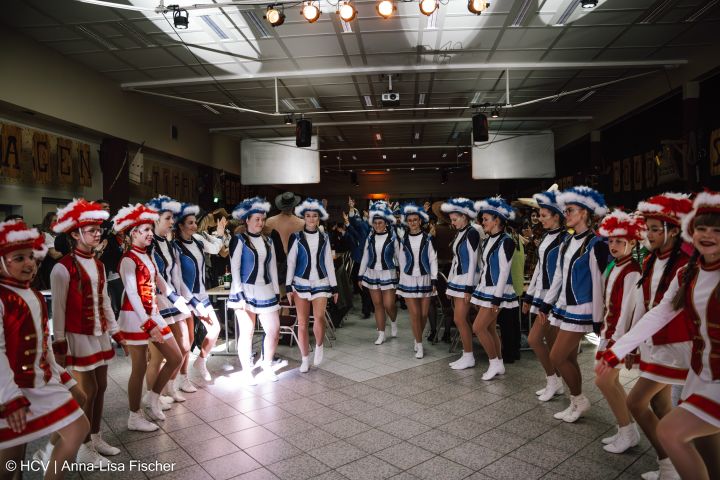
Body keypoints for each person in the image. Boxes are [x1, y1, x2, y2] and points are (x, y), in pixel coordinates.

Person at [599, 191, 720, 480]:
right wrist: (618, 349)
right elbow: (657, 313)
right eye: (701, 228)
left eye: (717, 230)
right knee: (706, 447)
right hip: (699, 373)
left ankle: (668, 468)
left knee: (670, 429)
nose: (707, 235)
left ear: (674, 231)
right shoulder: (687, 273)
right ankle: (670, 466)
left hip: (693, 362)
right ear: (691, 230)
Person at [0, 219, 89, 480]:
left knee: (78, 426)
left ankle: (48, 457)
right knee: (10, 461)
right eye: (19, 258)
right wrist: (10, 398)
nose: (29, 263)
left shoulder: (35, 294)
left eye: (31, 256)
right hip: (10, 387)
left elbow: (43, 344)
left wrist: (61, 374)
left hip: (40, 380)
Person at [50, 199, 126, 466]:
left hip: (99, 334)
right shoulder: (62, 268)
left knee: (101, 387)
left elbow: (105, 302)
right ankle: (82, 448)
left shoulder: (99, 264)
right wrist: (60, 344)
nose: (98, 234)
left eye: (98, 230)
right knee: (89, 390)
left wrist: (116, 333)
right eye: (91, 230)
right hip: (77, 337)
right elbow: (58, 309)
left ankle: (95, 436)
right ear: (75, 234)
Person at [538, 186, 609, 423]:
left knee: (557, 357)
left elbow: (600, 283)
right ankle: (575, 401)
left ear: (585, 213)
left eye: (570, 210)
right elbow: (559, 276)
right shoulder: (568, 240)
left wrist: (598, 318)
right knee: (568, 358)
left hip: (583, 308)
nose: (566, 214)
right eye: (566, 210)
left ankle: (579, 399)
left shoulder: (596, 243)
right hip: (564, 307)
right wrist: (547, 304)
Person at [113, 204, 183, 431]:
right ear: (133, 233)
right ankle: (134, 416)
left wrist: (179, 301)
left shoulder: (147, 255)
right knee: (139, 367)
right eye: (145, 230)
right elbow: (132, 294)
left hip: (152, 312)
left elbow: (160, 281)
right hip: (135, 318)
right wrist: (148, 323)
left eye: (150, 229)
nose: (150, 233)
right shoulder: (127, 259)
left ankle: (152, 398)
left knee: (175, 357)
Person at [594, 210, 644, 453]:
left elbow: (628, 311)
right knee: (609, 382)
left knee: (604, 381)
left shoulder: (632, 270)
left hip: (619, 337)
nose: (613, 245)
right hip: (610, 333)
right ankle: (627, 428)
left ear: (632, 242)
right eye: (611, 240)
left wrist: (616, 343)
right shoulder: (616, 265)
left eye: (619, 241)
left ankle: (627, 430)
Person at [228, 197, 281, 385]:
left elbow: (273, 268)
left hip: (266, 290)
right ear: (247, 220)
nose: (261, 222)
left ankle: (267, 365)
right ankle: (246, 372)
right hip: (244, 291)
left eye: (263, 219)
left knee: (274, 330)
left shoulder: (268, 241)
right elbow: (234, 269)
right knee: (247, 332)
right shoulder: (239, 240)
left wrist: (276, 291)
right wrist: (239, 294)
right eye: (257, 219)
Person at [145, 196, 194, 403]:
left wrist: (183, 299)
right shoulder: (149, 246)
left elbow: (176, 276)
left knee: (184, 345)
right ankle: (153, 397)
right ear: (155, 220)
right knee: (157, 356)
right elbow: (153, 278)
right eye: (168, 218)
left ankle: (169, 387)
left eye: (172, 218)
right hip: (156, 301)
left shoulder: (171, 245)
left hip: (173, 299)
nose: (172, 222)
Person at [522, 189, 567, 401]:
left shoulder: (565, 239)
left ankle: (554, 380)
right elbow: (539, 269)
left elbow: (561, 273)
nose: (540, 219)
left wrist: (548, 302)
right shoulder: (546, 236)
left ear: (556, 215)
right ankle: (556, 381)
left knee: (534, 339)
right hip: (542, 294)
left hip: (554, 298)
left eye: (544, 215)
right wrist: (529, 296)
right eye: (539, 215)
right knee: (549, 340)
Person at [286, 198, 338, 372]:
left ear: (319, 217)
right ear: (304, 217)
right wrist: (288, 286)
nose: (311, 219)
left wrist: (334, 286)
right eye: (308, 216)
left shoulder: (325, 237)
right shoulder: (296, 237)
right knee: (301, 323)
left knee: (319, 318)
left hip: (321, 282)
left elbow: (328, 262)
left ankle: (320, 345)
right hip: (300, 282)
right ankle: (304, 359)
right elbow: (291, 263)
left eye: (314, 216)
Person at [173, 203, 223, 382]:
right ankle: (182, 379)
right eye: (190, 223)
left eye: (195, 222)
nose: (195, 226)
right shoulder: (175, 247)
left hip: (201, 294)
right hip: (185, 297)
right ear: (180, 226)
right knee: (187, 341)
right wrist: (190, 301)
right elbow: (177, 277)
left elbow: (216, 249)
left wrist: (220, 234)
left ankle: (201, 360)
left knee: (215, 328)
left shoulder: (198, 240)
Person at [470, 197, 519, 380]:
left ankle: (494, 362)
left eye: (485, 219)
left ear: (497, 220)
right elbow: (486, 269)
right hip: (486, 290)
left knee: (478, 328)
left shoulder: (507, 241)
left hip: (498, 292)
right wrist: (479, 292)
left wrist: (496, 298)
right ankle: (499, 364)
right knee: (489, 328)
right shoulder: (488, 240)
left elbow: (504, 271)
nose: (482, 222)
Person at [441, 198, 481, 369]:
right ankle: (467, 354)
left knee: (459, 319)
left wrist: (468, 288)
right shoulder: (460, 232)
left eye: (455, 219)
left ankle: (469, 356)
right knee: (461, 319)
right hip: (458, 279)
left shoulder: (472, 232)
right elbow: (456, 261)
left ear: (464, 216)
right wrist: (450, 284)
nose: (452, 222)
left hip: (467, 280)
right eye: (451, 219)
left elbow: (473, 262)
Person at [397, 203, 438, 359]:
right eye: (410, 220)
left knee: (424, 314)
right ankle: (419, 344)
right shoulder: (403, 239)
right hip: (408, 279)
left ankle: (417, 337)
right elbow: (401, 261)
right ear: (407, 222)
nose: (413, 222)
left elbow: (433, 259)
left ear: (420, 221)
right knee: (414, 314)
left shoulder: (428, 238)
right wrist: (401, 282)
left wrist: (434, 279)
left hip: (425, 278)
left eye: (415, 220)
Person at [357, 201, 400, 345]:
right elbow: (365, 257)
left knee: (389, 304)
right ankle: (381, 334)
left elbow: (399, 257)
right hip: (372, 273)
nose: (377, 225)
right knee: (378, 305)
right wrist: (360, 275)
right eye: (375, 223)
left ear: (386, 222)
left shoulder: (393, 237)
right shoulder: (370, 237)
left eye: (380, 223)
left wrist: (401, 272)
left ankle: (393, 321)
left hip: (388, 273)